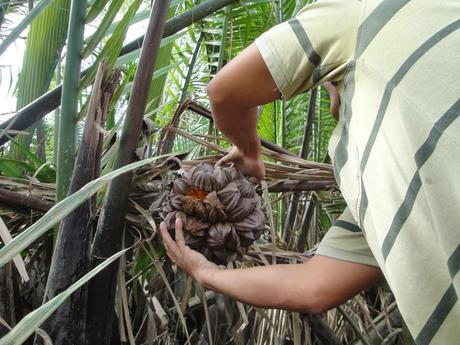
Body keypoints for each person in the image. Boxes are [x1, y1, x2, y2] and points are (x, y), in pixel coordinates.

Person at [161, 1, 460, 344]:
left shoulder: (365, 9)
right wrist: (205, 272)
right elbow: (313, 285)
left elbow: (225, 91)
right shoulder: (374, 184)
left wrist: (248, 151)